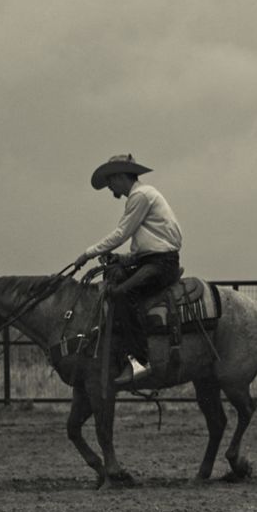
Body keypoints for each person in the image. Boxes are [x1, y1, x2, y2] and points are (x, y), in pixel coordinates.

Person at [73, 154, 183, 383]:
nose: (109, 186)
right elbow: (149, 241)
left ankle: (140, 361)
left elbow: (121, 233)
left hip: (160, 263)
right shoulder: (143, 195)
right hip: (155, 260)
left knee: (121, 293)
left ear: (122, 176)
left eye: (110, 180)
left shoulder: (140, 196)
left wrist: (88, 253)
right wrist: (123, 259)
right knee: (115, 280)